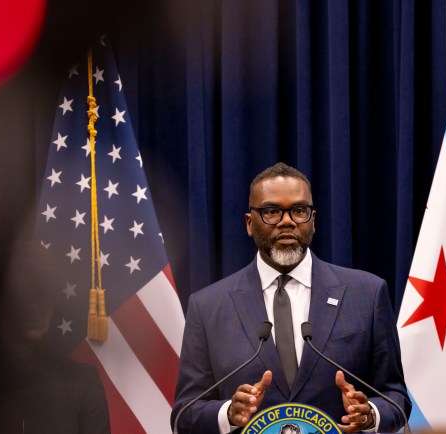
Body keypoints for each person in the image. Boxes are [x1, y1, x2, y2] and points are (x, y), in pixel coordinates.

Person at [171, 163, 411, 433]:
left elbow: (397, 398)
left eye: (299, 211)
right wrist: (228, 412)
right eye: (272, 211)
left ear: (313, 221)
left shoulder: (366, 294)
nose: (287, 221)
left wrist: (369, 414)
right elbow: (184, 414)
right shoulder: (208, 307)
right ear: (250, 223)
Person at [0, 242, 111, 434]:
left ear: (55, 300)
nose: (33, 307)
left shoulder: (84, 383)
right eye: (23, 295)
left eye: (43, 294)